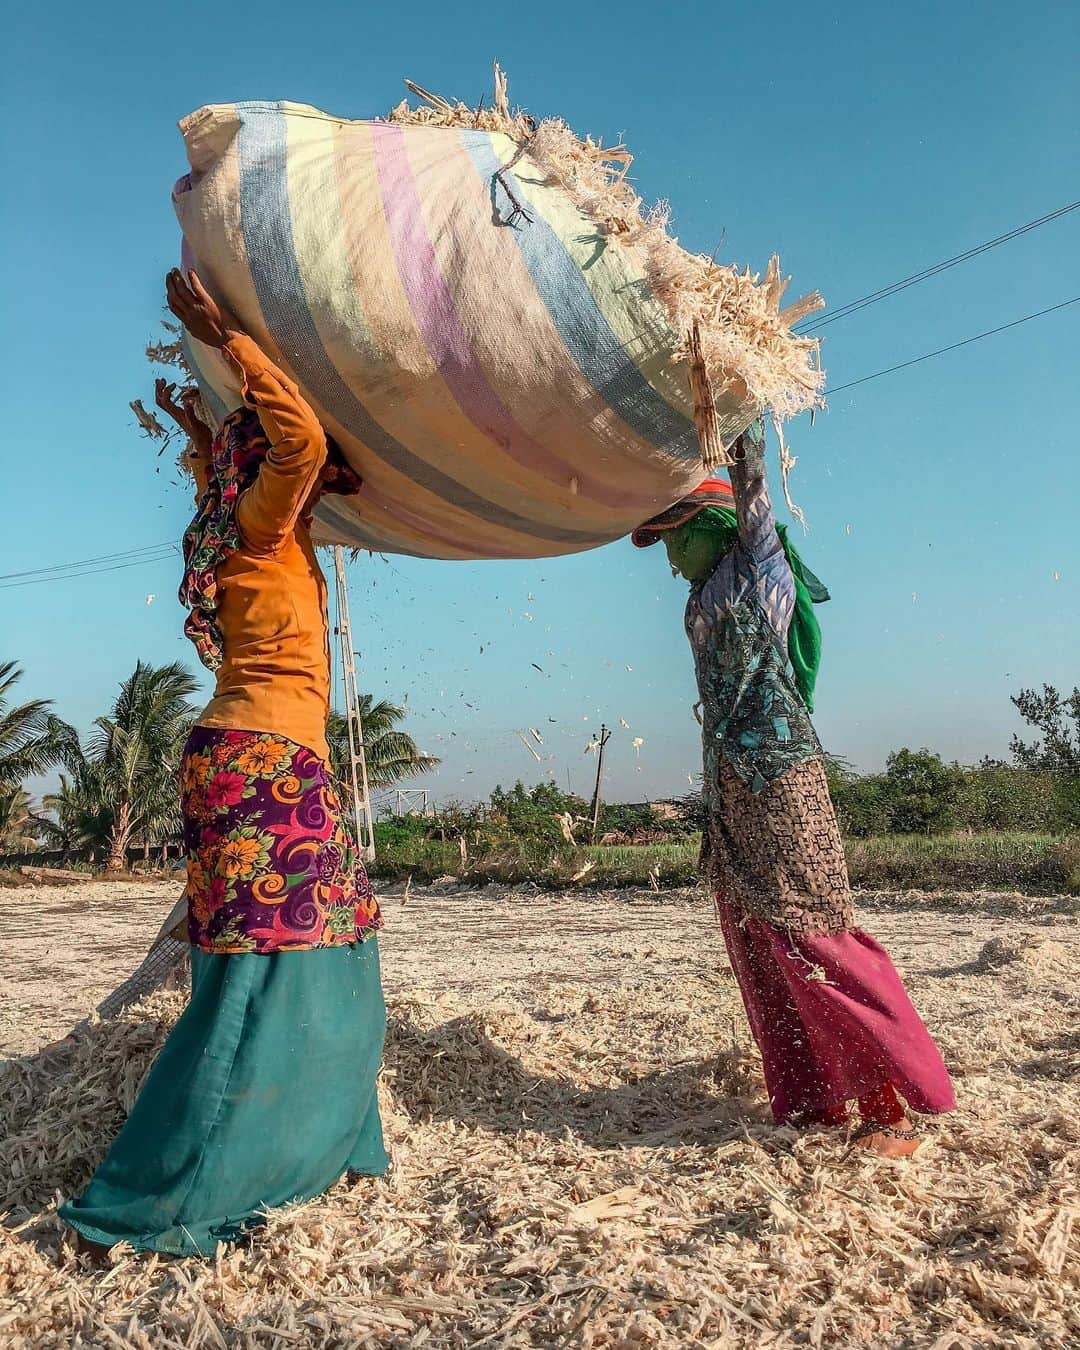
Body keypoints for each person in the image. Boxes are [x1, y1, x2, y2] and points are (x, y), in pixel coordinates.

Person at [60, 270, 387, 1258]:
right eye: (320, 487)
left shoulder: (235, 523)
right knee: (262, 974)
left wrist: (198, 431)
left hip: (257, 760)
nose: (329, 488)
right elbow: (302, 442)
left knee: (319, 950)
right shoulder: (261, 527)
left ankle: (317, 1140)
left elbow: (237, 467)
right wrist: (231, 347)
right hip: (262, 762)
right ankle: (177, 1186)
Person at [632, 421, 955, 1155]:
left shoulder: (758, 572)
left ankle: (889, 1107)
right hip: (731, 789)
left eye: (673, 538)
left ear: (710, 527)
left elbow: (754, 496)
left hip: (782, 785)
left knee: (814, 934)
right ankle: (815, 1099)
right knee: (757, 942)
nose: (668, 557)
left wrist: (737, 418)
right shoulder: (699, 602)